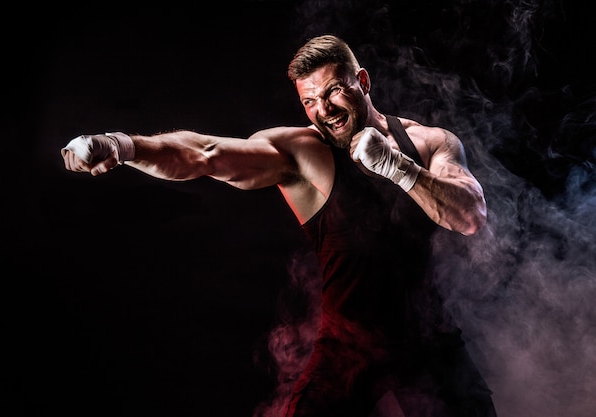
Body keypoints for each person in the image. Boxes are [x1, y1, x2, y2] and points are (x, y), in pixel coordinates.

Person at [61, 35, 497, 417]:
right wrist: (123, 145)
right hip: (349, 348)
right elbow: (205, 152)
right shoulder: (304, 153)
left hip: (430, 340)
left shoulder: (429, 142)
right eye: (310, 101)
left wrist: (397, 167)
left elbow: (470, 215)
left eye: (333, 93)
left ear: (361, 82)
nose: (324, 111)